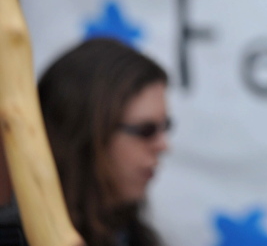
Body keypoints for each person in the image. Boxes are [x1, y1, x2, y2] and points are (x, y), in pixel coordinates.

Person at [0, 37, 171, 246]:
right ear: (87, 133)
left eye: (166, 126)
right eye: (146, 130)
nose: (163, 146)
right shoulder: (15, 234)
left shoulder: (132, 236)